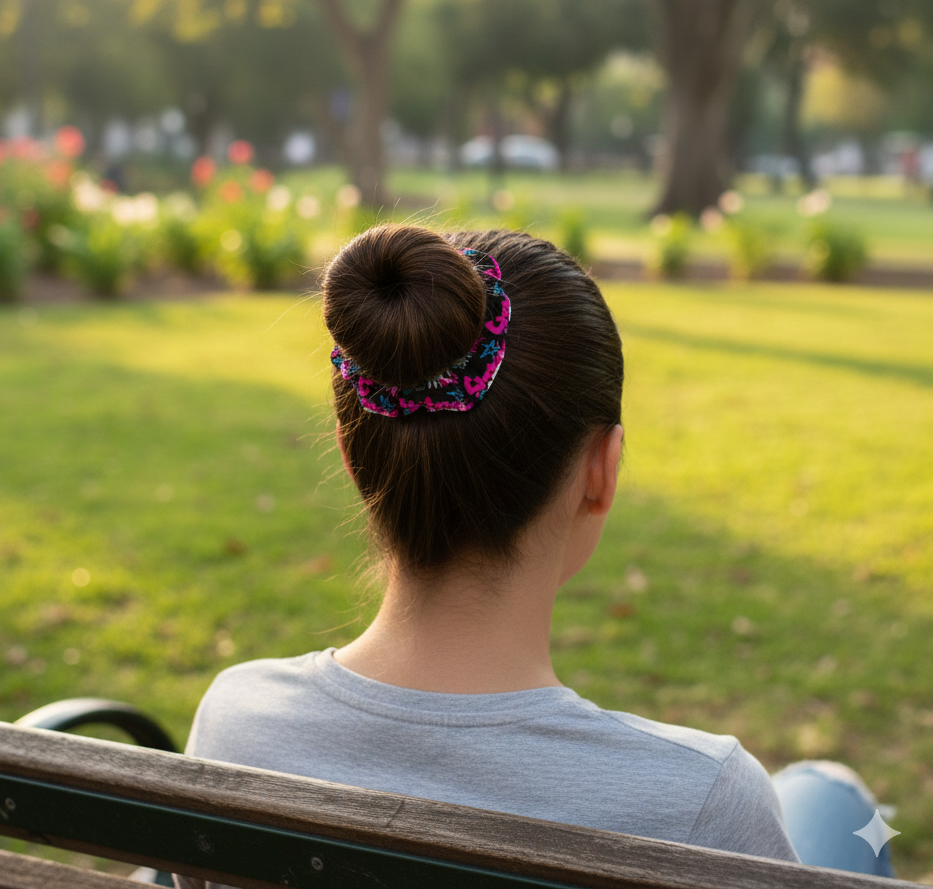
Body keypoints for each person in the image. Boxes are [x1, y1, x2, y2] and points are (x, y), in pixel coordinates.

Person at [171, 226, 894, 889]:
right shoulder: (698, 801)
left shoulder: (238, 720)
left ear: (353, 458)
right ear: (600, 470)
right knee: (831, 797)